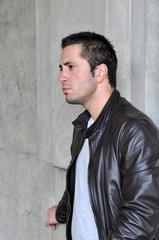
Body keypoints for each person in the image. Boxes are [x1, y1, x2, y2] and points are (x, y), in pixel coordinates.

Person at [45, 31, 159, 239]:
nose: (61, 77)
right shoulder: (83, 125)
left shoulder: (134, 130)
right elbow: (82, 180)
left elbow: (142, 215)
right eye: (61, 69)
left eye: (71, 67)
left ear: (100, 72)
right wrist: (61, 212)